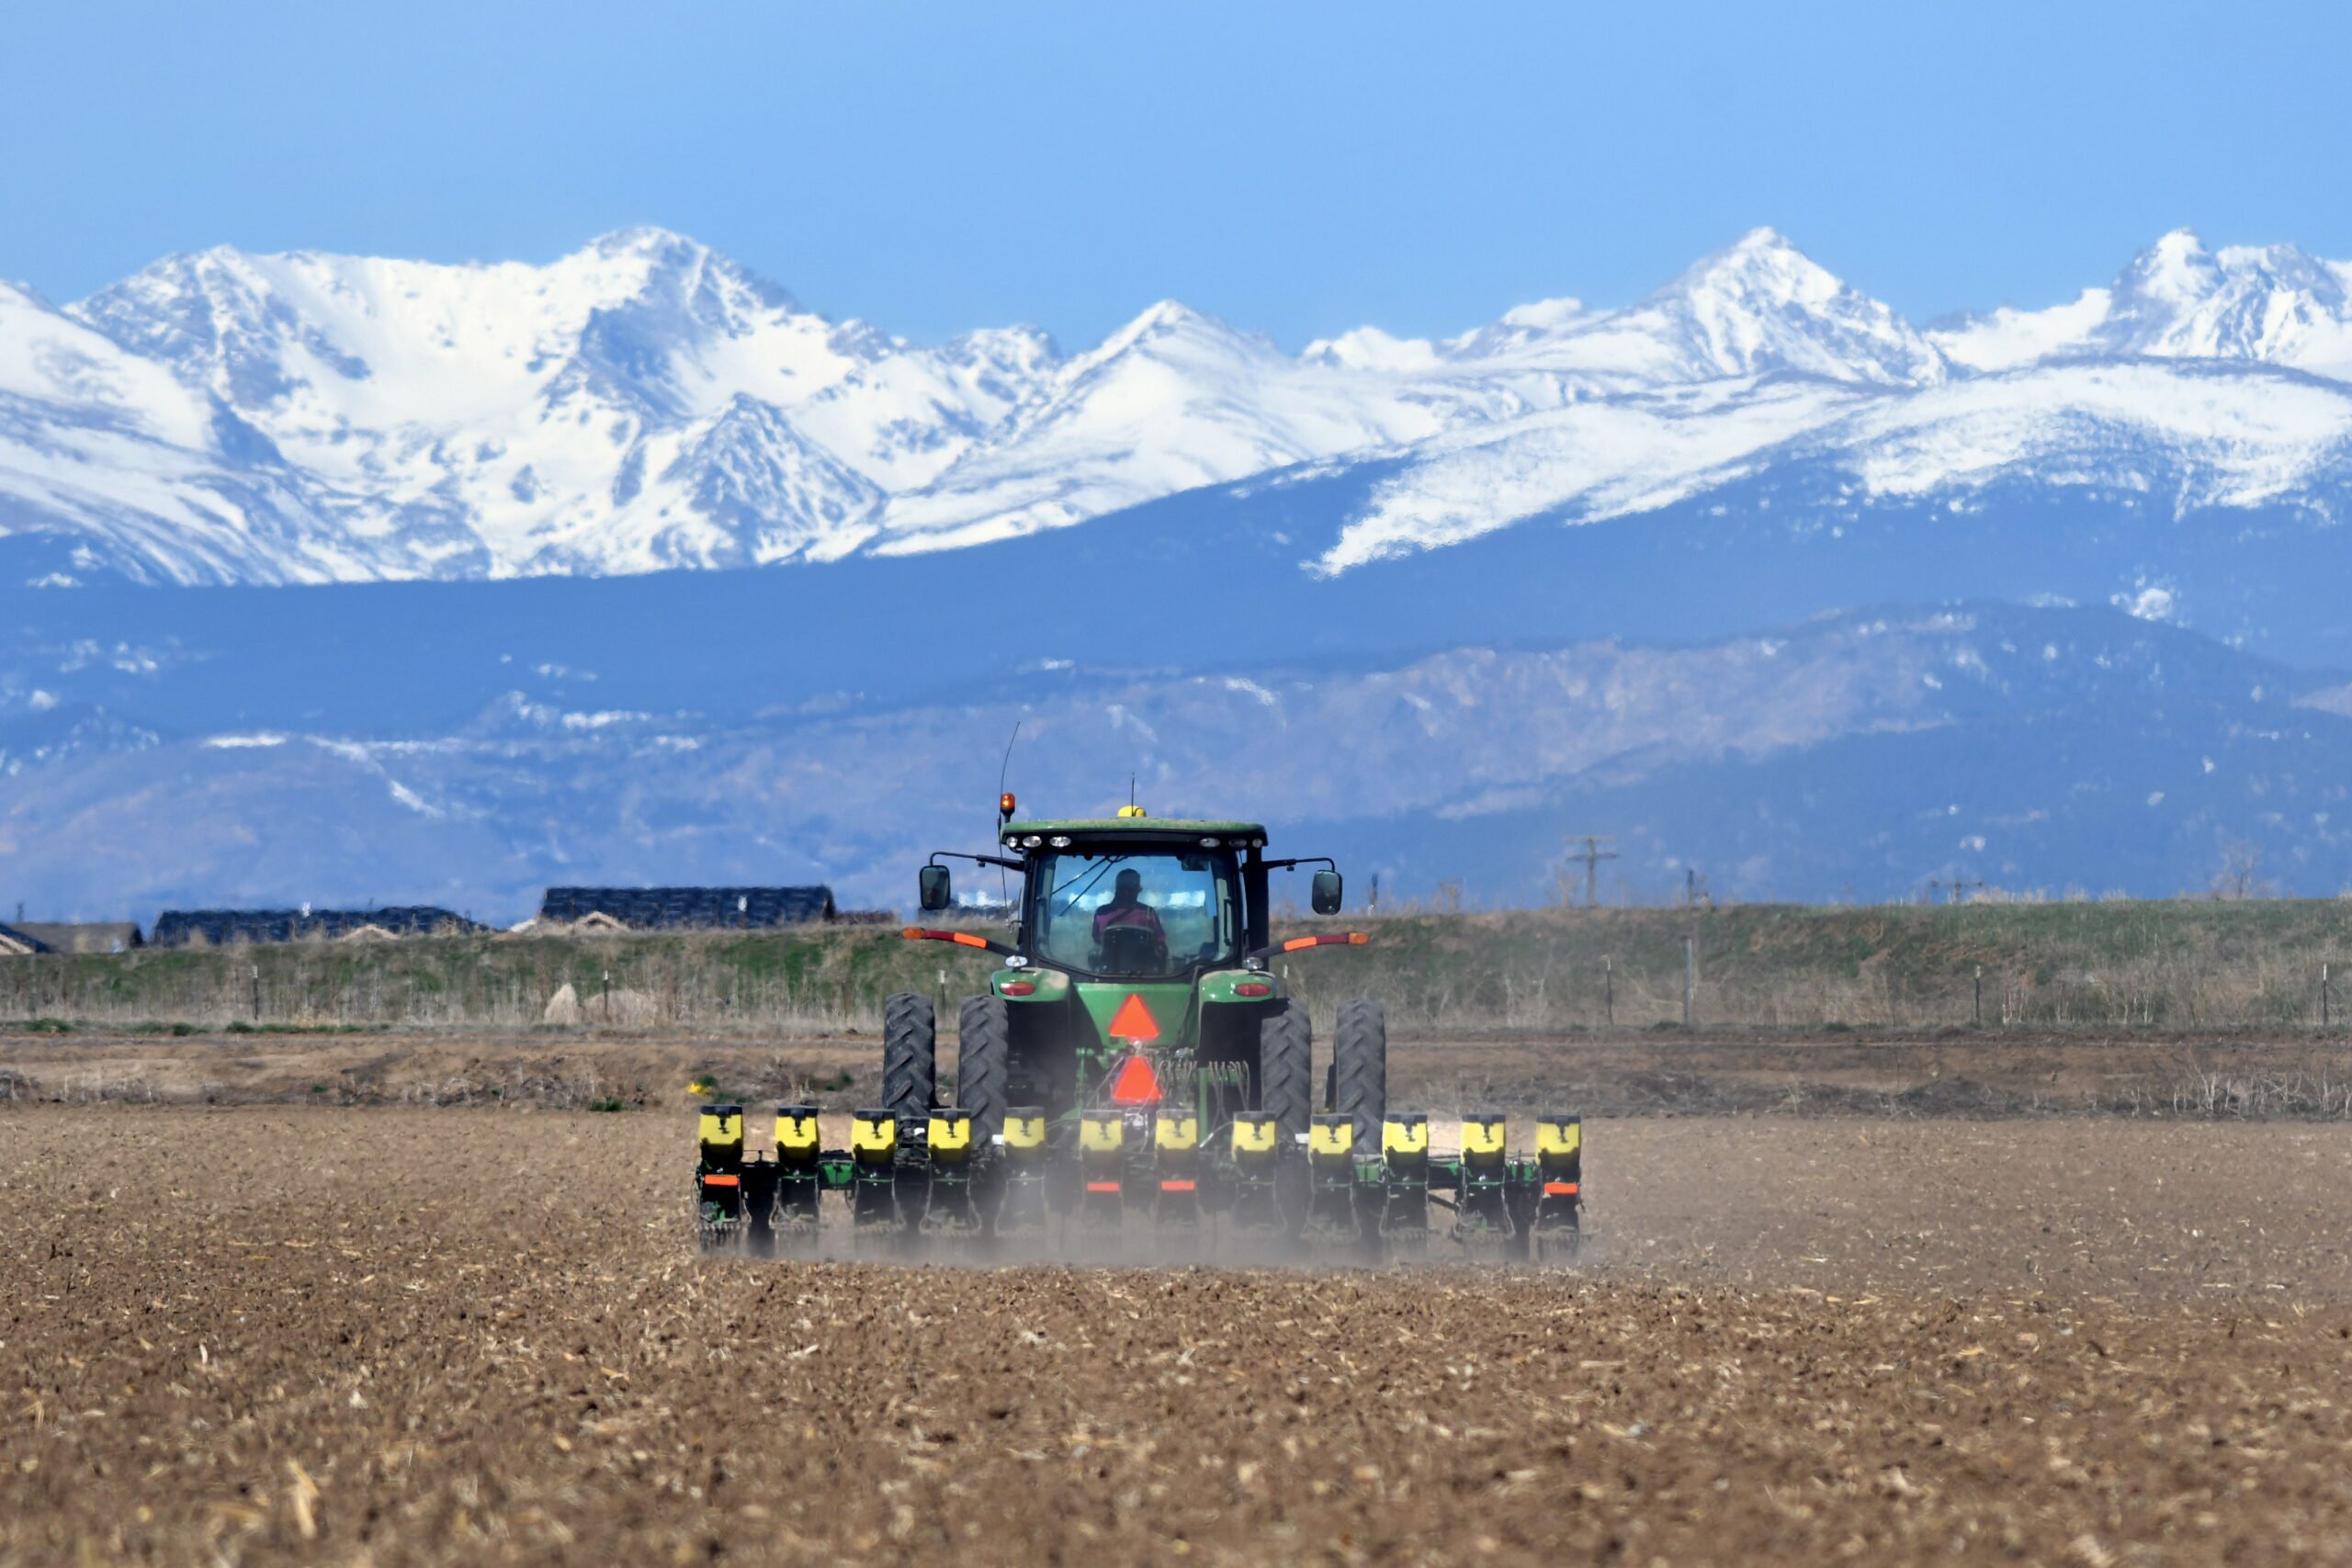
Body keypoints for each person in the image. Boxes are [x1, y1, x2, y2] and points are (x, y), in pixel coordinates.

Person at [1092, 867, 1165, 943]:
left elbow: (1097, 940)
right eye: (1138, 888)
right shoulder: (1148, 913)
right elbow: (1160, 943)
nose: (1139, 891)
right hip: (1141, 955)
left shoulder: (1101, 913)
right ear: (1127, 892)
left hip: (1107, 955)